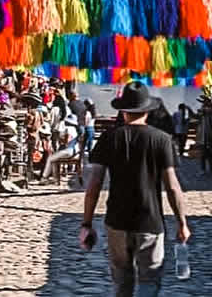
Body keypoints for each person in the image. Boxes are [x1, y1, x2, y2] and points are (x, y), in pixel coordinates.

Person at [81, 82, 190, 297]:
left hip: (116, 221)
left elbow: (94, 185)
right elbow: (172, 186)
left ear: (122, 111)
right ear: (148, 111)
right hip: (150, 221)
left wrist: (87, 223)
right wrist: (182, 223)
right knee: (149, 281)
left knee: (121, 282)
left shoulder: (109, 138)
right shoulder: (162, 140)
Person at [42, 114, 81, 181]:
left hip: (68, 151)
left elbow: (67, 141)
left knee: (50, 158)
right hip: (75, 151)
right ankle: (55, 178)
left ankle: (44, 177)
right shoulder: (75, 130)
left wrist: (61, 140)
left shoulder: (68, 129)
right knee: (54, 159)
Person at [196, 98, 212, 175]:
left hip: (210, 135)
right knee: (203, 154)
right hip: (203, 136)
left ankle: (210, 169)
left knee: (210, 153)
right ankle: (205, 169)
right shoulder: (203, 113)